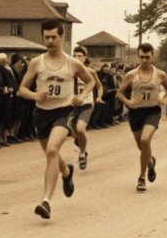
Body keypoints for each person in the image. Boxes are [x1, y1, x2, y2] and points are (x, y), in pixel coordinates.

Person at [18, 20, 94, 219]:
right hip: (42, 113)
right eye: (46, 37)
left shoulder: (73, 63)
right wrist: (35, 95)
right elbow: (22, 89)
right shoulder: (37, 63)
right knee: (51, 154)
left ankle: (46, 201)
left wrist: (82, 96)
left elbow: (90, 81)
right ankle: (67, 172)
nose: (50, 41)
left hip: (65, 111)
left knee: (52, 149)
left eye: (54, 37)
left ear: (62, 38)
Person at [117, 42, 167, 193]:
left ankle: (141, 178)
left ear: (152, 56)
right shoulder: (131, 75)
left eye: (147, 57)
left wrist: (164, 100)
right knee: (141, 147)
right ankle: (150, 162)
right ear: (138, 55)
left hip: (152, 111)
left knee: (145, 140)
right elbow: (119, 93)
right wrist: (128, 102)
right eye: (141, 56)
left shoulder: (160, 74)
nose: (144, 60)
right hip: (135, 112)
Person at [70, 46, 103, 170]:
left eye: (80, 56)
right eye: (75, 56)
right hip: (71, 105)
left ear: (85, 58)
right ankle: (81, 144)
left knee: (80, 129)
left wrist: (99, 97)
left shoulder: (91, 72)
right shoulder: (68, 71)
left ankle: (82, 154)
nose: (77, 58)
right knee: (70, 130)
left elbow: (99, 86)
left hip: (86, 104)